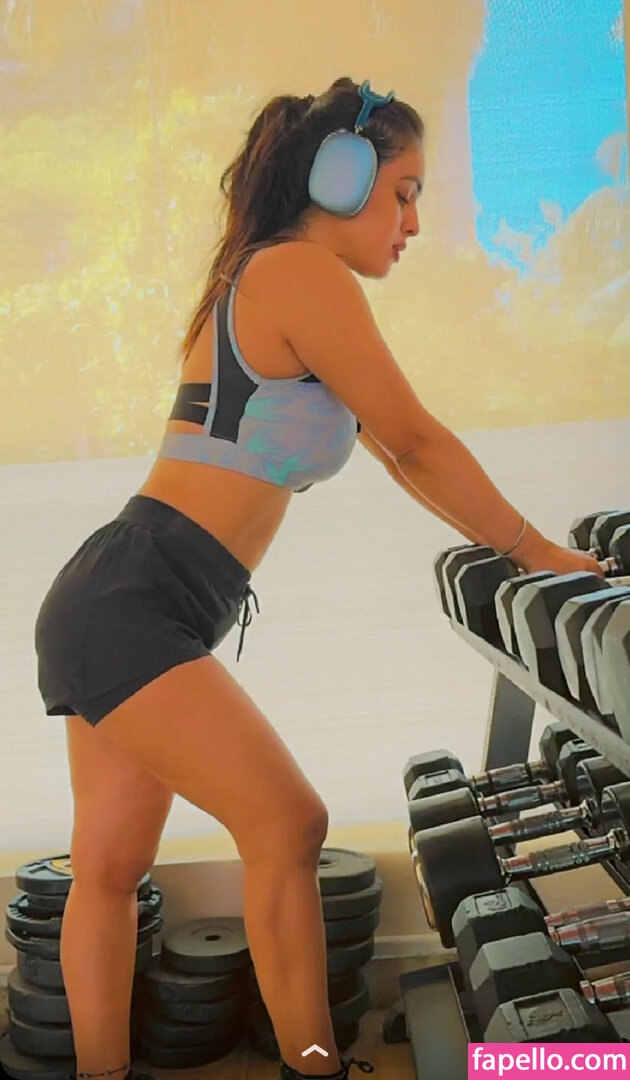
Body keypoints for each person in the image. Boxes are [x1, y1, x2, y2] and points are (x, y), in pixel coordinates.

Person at [34, 77, 604, 1080]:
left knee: (111, 869)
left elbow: (400, 458)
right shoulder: (297, 272)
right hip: (135, 600)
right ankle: (312, 1066)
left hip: (126, 593)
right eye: (405, 193)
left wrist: (505, 543)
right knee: (287, 824)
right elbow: (417, 440)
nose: (415, 223)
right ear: (340, 179)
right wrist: (538, 553)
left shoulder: (270, 275)